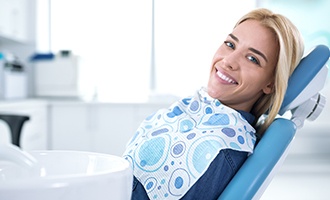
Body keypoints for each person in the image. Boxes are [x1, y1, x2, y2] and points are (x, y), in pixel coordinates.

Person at [123, 8, 304, 200]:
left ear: (271, 83)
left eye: (252, 59)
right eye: (230, 44)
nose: (228, 61)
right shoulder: (191, 109)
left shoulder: (220, 149)